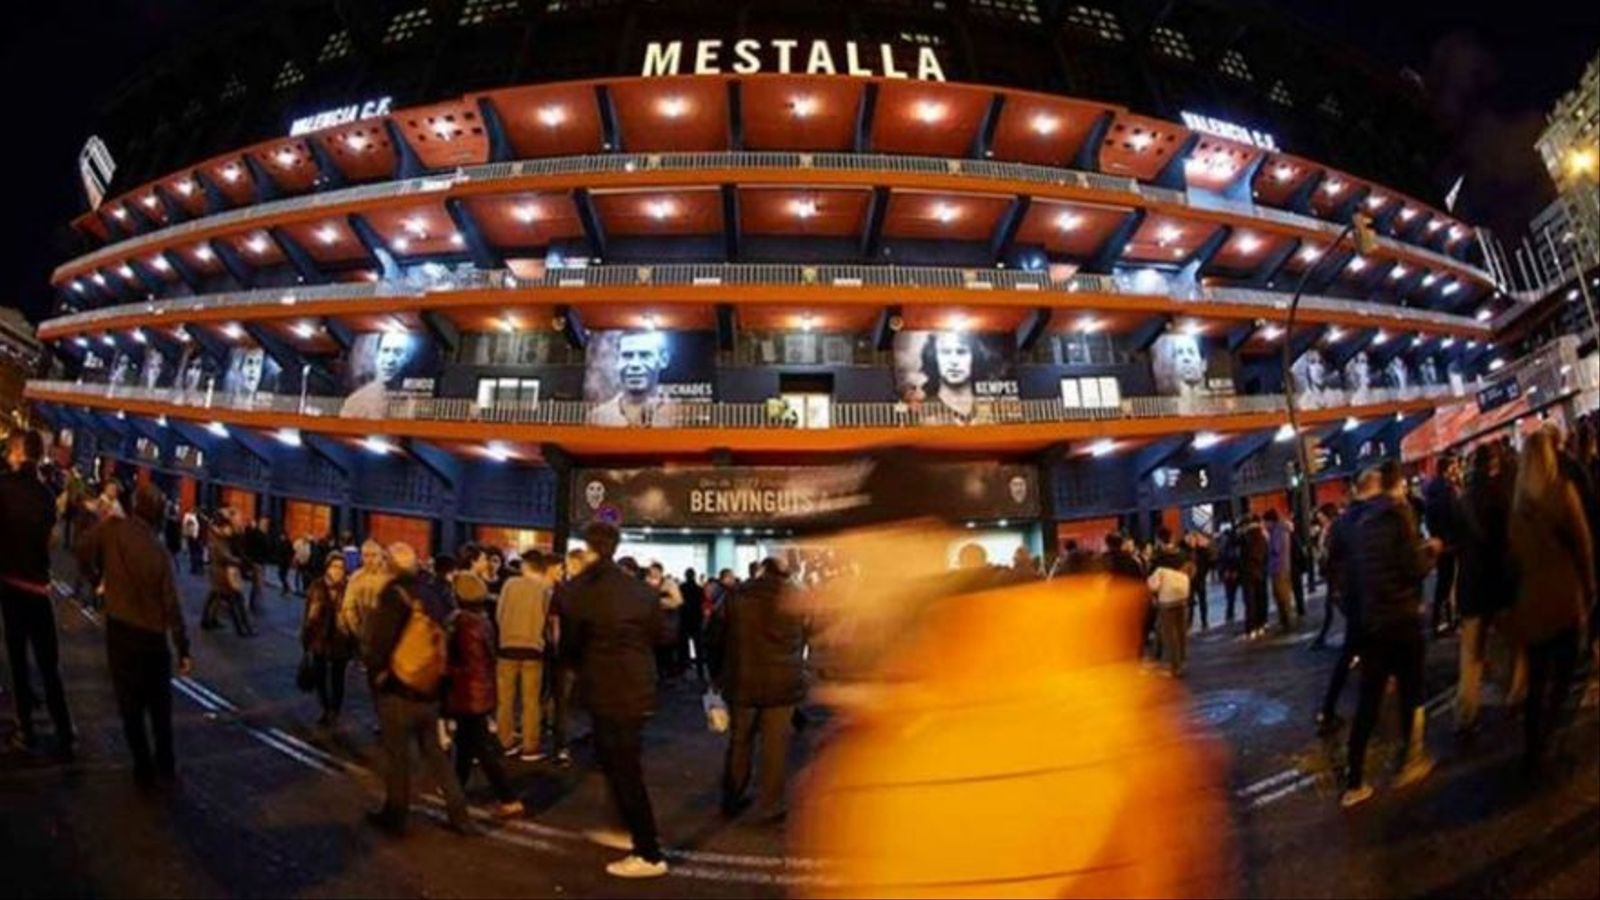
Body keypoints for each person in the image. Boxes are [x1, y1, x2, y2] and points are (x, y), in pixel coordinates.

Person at [560, 522, 670, 878]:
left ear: (589, 549)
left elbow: (570, 647)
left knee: (623, 770)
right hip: (638, 686)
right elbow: (661, 635)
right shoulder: (640, 592)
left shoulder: (579, 590)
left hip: (605, 689)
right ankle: (627, 830)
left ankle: (648, 852)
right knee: (621, 764)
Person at [77, 482, 192, 784]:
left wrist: (96, 579)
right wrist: (183, 649)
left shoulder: (112, 529)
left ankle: (142, 767)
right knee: (160, 708)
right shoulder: (159, 553)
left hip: (120, 629)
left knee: (130, 706)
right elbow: (172, 606)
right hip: (153, 638)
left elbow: (82, 549)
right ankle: (165, 765)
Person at [1342, 462, 1440, 808]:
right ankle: (1411, 760)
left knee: (1369, 701)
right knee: (1413, 690)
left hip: (1374, 620)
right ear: (1396, 486)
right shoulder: (1399, 516)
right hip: (1402, 617)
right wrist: (1431, 553)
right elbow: (1411, 567)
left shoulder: (1363, 522)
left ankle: (1354, 780)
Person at [362, 542, 473, 836]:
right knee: (435, 753)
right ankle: (459, 813)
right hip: (431, 686)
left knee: (398, 755)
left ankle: (395, 814)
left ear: (390, 565)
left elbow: (381, 641)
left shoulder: (394, 593)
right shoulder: (434, 592)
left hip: (400, 687)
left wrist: (377, 674)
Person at [1506, 430, 1593, 772]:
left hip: (1530, 604)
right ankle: (1550, 735)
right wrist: (1589, 587)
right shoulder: (1562, 492)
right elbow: (1583, 546)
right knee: (1566, 673)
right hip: (1563, 597)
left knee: (1537, 678)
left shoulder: (1516, 508)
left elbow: (1512, 558)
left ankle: (1533, 746)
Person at [711, 556, 807, 820]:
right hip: (783, 684)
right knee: (775, 748)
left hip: (742, 679)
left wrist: (716, 674)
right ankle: (771, 804)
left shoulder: (736, 595)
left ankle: (732, 797)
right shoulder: (796, 598)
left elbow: (715, 634)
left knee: (740, 741)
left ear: (762, 570)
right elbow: (808, 634)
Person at [0, 431, 76, 756]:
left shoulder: (3, 488)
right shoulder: (46, 495)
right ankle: (64, 731)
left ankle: (26, 730)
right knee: (49, 664)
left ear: (18, 453)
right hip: (39, 586)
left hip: (10, 583)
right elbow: (51, 540)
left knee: (18, 661)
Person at [445, 582, 524, 819]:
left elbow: (456, 661)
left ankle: (509, 798)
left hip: (466, 691)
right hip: (482, 689)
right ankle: (455, 786)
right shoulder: (484, 621)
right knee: (466, 742)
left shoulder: (461, 624)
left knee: (480, 746)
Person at [1453, 445, 1514, 735]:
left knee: (1470, 653)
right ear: (1492, 464)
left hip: (1470, 583)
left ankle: (1466, 712)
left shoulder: (1462, 499)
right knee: (1509, 638)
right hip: (1496, 580)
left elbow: (1455, 542)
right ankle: (1514, 692)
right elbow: (1506, 539)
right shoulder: (1499, 494)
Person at [1316, 469, 1381, 735]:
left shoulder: (1342, 524)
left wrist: (1339, 589)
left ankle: (1328, 711)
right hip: (1376, 597)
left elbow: (1332, 561)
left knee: (1347, 656)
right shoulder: (1375, 518)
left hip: (1354, 598)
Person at [496, 549, 552, 761]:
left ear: (525, 565)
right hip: (533, 649)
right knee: (531, 701)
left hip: (507, 646)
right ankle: (530, 746)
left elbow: (499, 614)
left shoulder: (510, 585)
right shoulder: (545, 589)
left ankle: (505, 741)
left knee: (505, 699)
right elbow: (547, 619)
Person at [301, 555, 354, 726]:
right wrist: (306, 638)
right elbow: (310, 615)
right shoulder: (317, 586)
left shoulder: (348, 588)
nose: (337, 571)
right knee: (321, 677)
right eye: (334, 566)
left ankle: (335, 710)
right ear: (327, 568)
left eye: (340, 567)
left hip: (341, 640)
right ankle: (325, 708)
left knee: (338, 678)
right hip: (320, 639)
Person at [588, 330, 679, 427]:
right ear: (617, 360)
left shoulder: (680, 415)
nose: (635, 364)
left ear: (663, 360)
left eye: (645, 355)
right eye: (627, 356)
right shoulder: (598, 417)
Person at [1422, 456, 1463, 636]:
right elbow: (1456, 516)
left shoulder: (1431, 492)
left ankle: (1438, 620)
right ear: (1448, 469)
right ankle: (1450, 618)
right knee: (1450, 581)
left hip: (1439, 541)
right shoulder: (1448, 491)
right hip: (1452, 542)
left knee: (1442, 582)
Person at [340, 541, 392, 655]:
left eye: (373, 555)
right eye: (366, 555)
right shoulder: (356, 578)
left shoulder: (390, 578)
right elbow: (348, 608)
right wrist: (358, 631)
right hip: (362, 637)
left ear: (381, 556)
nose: (370, 559)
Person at [1148, 549, 1192, 676]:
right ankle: (1182, 660)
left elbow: (1153, 586)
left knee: (1170, 635)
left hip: (1166, 603)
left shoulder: (1161, 570)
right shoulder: (1181, 568)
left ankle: (1175, 666)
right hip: (1182, 601)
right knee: (1181, 632)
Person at [1241, 515, 1270, 638]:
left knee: (1250, 602)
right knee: (1261, 598)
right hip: (1261, 572)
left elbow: (1244, 556)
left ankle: (1251, 628)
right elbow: (1266, 555)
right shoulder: (1264, 536)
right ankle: (1261, 623)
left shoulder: (1247, 537)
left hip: (1249, 573)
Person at [679, 567, 708, 682]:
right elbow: (703, 604)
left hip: (685, 620)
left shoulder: (681, 588)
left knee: (683, 649)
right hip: (696, 620)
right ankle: (700, 672)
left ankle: (684, 672)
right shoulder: (699, 589)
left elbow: (679, 604)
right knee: (698, 648)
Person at [1183, 530, 1213, 631]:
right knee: (1190, 602)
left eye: (1193, 539)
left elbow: (1208, 563)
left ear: (1196, 540)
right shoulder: (1185, 551)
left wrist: (1203, 574)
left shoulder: (1202, 551)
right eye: (1190, 539)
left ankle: (1204, 621)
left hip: (1200, 579)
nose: (1192, 541)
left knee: (1202, 601)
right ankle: (1189, 622)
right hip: (1190, 580)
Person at [182, 506, 204, 575]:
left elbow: (185, 527)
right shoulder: (192, 518)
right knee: (197, 553)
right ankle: (197, 568)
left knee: (194, 553)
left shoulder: (189, 517)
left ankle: (195, 568)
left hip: (193, 537)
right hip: (195, 538)